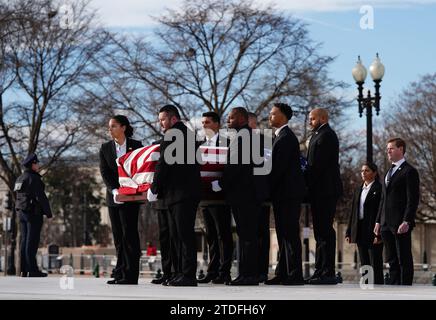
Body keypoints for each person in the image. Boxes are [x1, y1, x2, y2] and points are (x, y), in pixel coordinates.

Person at [212, 107, 268, 286]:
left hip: (244, 194)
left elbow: (236, 166)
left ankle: (247, 275)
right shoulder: (249, 136)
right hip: (250, 194)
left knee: (246, 236)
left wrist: (221, 183)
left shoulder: (243, 136)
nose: (228, 120)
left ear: (242, 119)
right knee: (248, 236)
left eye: (232, 117)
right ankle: (249, 274)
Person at [148, 105, 201, 287]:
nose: (161, 123)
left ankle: (187, 275)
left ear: (173, 119)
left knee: (184, 236)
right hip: (185, 193)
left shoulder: (172, 135)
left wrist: (154, 188)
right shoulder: (188, 134)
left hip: (181, 194)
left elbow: (163, 164)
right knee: (180, 236)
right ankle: (181, 273)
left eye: (163, 119)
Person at [264, 103, 305, 285]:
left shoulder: (286, 138)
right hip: (282, 194)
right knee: (282, 235)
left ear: (283, 117)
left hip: (288, 194)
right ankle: (283, 273)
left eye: (273, 114)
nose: (269, 116)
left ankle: (294, 275)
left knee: (289, 234)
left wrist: (264, 187)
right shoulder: (280, 137)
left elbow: (277, 169)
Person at [99, 115, 143, 285]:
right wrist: (115, 190)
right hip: (114, 198)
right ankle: (120, 272)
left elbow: (141, 170)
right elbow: (105, 172)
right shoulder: (105, 148)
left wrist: (131, 189)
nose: (110, 130)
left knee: (130, 235)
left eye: (113, 126)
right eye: (109, 127)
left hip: (131, 197)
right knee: (118, 237)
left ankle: (131, 275)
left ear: (123, 127)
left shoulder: (137, 146)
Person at [374, 138, 420, 285]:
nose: (388, 151)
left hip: (400, 223)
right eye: (387, 149)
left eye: (391, 148)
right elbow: (383, 199)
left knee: (403, 257)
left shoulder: (409, 171)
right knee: (391, 258)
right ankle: (394, 286)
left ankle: (405, 286)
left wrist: (407, 220)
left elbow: (412, 199)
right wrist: (378, 221)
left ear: (401, 149)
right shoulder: (388, 172)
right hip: (386, 223)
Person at [305, 108, 343, 285]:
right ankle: (320, 269)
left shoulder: (327, 135)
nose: (310, 122)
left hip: (326, 190)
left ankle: (327, 272)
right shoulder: (318, 134)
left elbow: (317, 165)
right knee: (320, 231)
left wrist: (304, 175)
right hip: (319, 190)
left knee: (325, 231)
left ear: (322, 118)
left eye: (312, 119)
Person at [197, 112, 234, 285]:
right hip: (204, 198)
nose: (204, 125)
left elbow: (232, 168)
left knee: (223, 235)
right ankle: (212, 270)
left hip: (221, 198)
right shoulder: (199, 145)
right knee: (211, 236)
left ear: (217, 124)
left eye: (208, 122)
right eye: (203, 122)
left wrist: (222, 183)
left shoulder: (228, 143)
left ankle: (224, 271)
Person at [14, 153, 52, 277]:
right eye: (37, 163)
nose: (38, 165)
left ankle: (24, 270)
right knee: (32, 242)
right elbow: (41, 197)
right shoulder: (34, 179)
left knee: (24, 241)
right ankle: (33, 270)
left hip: (21, 213)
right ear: (32, 164)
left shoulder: (20, 178)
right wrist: (48, 213)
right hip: (33, 213)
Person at [346, 162, 383, 285]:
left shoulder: (379, 189)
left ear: (374, 173)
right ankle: (367, 287)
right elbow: (353, 212)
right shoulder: (358, 190)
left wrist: (379, 233)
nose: (363, 173)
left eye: (366, 170)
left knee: (374, 261)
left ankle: (377, 287)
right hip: (360, 229)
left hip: (373, 229)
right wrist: (349, 231)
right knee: (364, 261)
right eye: (362, 171)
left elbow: (380, 210)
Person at [247, 111, 271, 283]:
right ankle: (250, 269)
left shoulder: (264, 140)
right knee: (249, 234)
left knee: (261, 233)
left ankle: (261, 270)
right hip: (245, 194)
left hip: (261, 195)